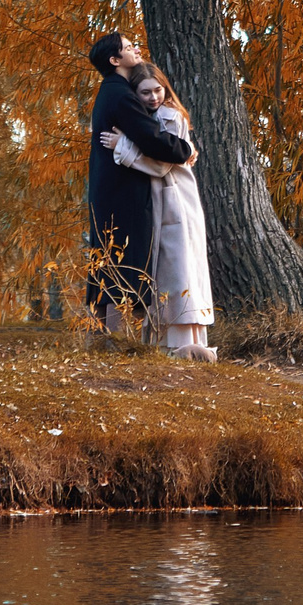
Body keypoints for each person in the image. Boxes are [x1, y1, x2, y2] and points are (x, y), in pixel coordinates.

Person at [85, 33, 194, 342]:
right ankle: (116, 342)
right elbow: (151, 139)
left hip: (110, 190)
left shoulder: (111, 91)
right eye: (128, 47)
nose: (135, 49)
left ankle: (101, 340)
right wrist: (184, 150)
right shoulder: (120, 95)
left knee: (109, 261)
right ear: (115, 61)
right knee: (124, 261)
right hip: (123, 193)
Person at [110, 63, 217, 361]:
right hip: (166, 200)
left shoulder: (169, 115)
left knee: (177, 268)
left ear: (165, 88)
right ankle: (172, 344)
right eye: (145, 92)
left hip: (175, 200)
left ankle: (181, 345)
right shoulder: (152, 116)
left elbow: (161, 163)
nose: (153, 97)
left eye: (158, 90)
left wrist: (124, 148)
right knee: (169, 270)